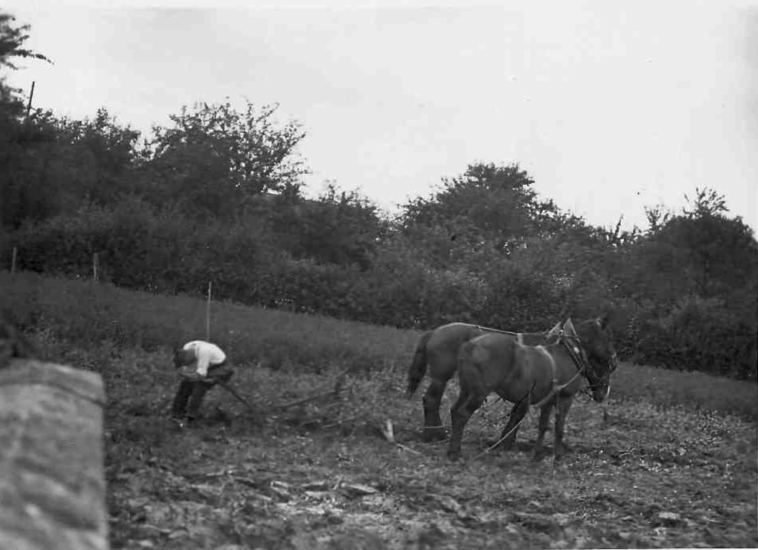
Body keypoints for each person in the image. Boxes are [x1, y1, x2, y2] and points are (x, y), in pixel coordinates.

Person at [171, 340, 233, 425]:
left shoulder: (204, 353)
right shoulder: (187, 347)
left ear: (188, 357)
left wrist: (190, 375)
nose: (186, 365)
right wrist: (187, 375)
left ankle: (190, 417)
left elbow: (200, 375)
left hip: (222, 368)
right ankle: (176, 413)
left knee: (200, 386)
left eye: (185, 363)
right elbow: (189, 371)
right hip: (209, 365)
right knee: (185, 383)